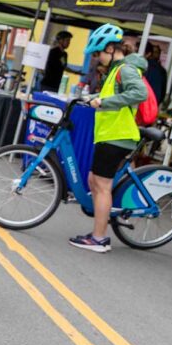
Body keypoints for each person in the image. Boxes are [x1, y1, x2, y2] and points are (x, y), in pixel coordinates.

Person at [69, 25, 148, 253]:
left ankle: (99, 238)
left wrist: (104, 103)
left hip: (118, 136)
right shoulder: (116, 69)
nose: (97, 59)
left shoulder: (126, 69)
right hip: (109, 135)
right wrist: (91, 98)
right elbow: (110, 95)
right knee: (95, 180)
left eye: (98, 53)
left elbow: (139, 93)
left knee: (102, 186)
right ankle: (98, 231)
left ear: (112, 48)